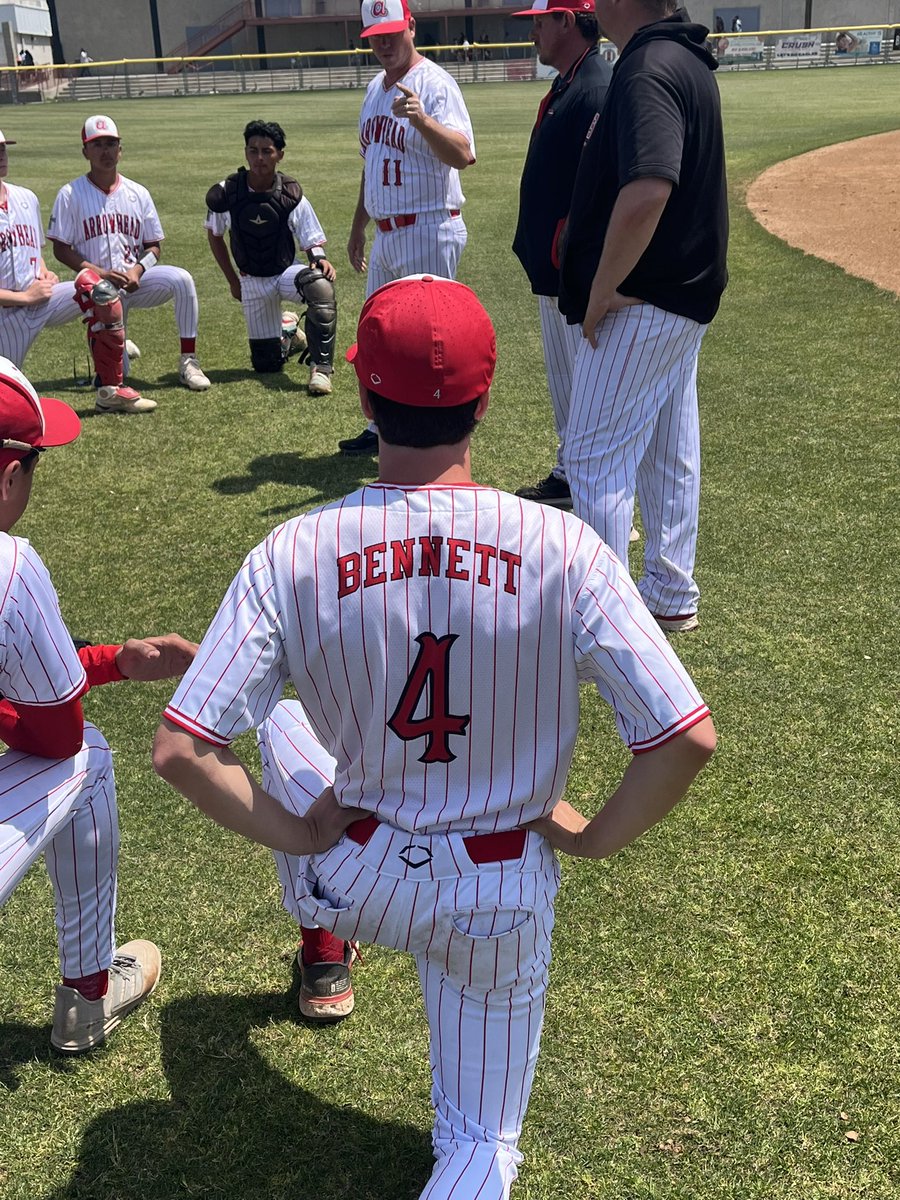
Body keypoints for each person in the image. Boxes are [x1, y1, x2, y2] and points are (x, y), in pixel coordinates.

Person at [152, 274, 716, 1199]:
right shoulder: (565, 545)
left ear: (368, 398)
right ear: (485, 404)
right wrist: (590, 836)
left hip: (359, 873)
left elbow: (182, 749)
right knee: (479, 1146)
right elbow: (685, 738)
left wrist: (302, 837)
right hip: (499, 891)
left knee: (289, 726)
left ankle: (322, 935)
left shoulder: (289, 548)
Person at [0, 357, 196, 1053]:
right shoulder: (9, 564)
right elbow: (55, 736)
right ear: (7, 475)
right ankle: (87, 997)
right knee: (91, 754)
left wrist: (112, 659)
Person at [558, 0, 728, 633]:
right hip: (681, 296)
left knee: (594, 458)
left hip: (644, 298)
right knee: (668, 445)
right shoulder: (682, 55)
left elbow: (650, 186)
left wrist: (602, 287)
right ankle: (669, 590)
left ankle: (605, 622)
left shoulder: (648, 65)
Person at [339, 0, 475, 456]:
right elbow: (371, 164)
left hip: (429, 227)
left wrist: (422, 119)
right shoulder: (375, 89)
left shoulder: (435, 84)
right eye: (376, 35)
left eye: (392, 32)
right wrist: (359, 224)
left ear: (411, 27)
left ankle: (436, 430)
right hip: (386, 234)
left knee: (428, 337)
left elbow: (463, 153)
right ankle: (384, 428)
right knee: (378, 335)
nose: (384, 42)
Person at [511, 0, 612, 510]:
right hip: (555, 267)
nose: (533, 34)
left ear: (566, 20)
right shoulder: (571, 80)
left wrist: (564, 247)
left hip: (573, 270)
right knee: (568, 384)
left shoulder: (593, 87)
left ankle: (589, 483)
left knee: (585, 386)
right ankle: (572, 471)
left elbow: (596, 190)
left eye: (537, 22)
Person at [48, 115, 211, 414]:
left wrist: (138, 269)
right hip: (95, 289)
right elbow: (60, 248)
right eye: (97, 145)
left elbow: (154, 246)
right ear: (85, 151)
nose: (105, 151)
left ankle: (189, 361)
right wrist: (98, 272)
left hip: (135, 283)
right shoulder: (70, 194)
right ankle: (114, 342)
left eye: (111, 144)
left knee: (182, 279)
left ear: (120, 150)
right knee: (114, 371)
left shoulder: (138, 193)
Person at [205, 120, 337, 396]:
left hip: (285, 272)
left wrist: (320, 258)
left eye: (267, 151)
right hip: (251, 279)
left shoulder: (290, 191)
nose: (259, 158)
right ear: (245, 153)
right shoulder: (227, 191)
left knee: (319, 285)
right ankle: (288, 329)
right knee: (266, 364)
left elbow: (311, 236)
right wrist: (232, 281)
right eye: (253, 151)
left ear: (280, 155)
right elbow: (215, 235)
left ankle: (321, 369)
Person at [0, 131, 87, 371]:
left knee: (96, 292)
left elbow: (33, 252)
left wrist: (44, 273)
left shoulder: (26, 198)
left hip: (39, 304)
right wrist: (25, 297)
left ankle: (110, 386)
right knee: (9, 395)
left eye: (3, 149)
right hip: (5, 315)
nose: (1, 156)